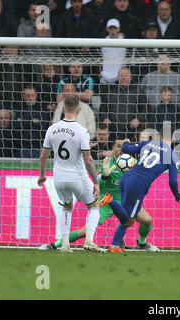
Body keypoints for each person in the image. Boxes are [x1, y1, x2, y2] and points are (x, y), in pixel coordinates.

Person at [39, 137, 160, 252]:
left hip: (126, 201)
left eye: (123, 146)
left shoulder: (135, 164)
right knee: (86, 231)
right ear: (113, 149)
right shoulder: (107, 163)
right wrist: (104, 175)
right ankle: (54, 245)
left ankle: (142, 243)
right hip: (106, 200)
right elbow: (97, 185)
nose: (121, 149)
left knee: (148, 220)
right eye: (118, 146)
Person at [38, 96, 106, 253]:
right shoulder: (81, 131)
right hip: (77, 176)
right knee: (94, 205)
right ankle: (89, 240)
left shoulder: (52, 129)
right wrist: (95, 181)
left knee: (66, 207)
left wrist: (42, 175)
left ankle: (65, 245)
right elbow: (87, 159)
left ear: (62, 109)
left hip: (59, 178)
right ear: (78, 110)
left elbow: (43, 155)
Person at [100, 127, 180, 252]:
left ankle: (131, 244)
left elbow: (126, 149)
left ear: (159, 137)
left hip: (126, 179)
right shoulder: (172, 156)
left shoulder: (149, 144)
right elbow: (172, 181)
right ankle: (111, 204)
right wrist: (178, 196)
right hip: (138, 185)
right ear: (173, 139)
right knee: (128, 220)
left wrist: (126, 142)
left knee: (143, 219)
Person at [99, 66, 144, 139]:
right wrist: (105, 119)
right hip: (113, 131)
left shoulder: (138, 92)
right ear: (118, 77)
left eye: (126, 75)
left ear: (131, 77)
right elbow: (102, 110)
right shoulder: (110, 92)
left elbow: (145, 109)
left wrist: (138, 119)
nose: (123, 77)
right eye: (121, 75)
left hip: (132, 131)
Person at [15, 86, 50, 158]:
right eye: (28, 96)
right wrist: (33, 121)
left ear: (36, 95)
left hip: (39, 146)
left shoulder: (42, 109)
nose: (30, 98)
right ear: (23, 96)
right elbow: (16, 125)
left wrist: (24, 120)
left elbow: (43, 126)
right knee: (23, 169)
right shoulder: (19, 108)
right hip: (23, 146)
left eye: (32, 95)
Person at [100, 18, 127, 84]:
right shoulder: (102, 42)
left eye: (114, 28)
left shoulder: (125, 42)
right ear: (107, 29)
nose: (112, 30)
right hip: (104, 76)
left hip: (119, 77)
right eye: (110, 28)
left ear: (118, 29)